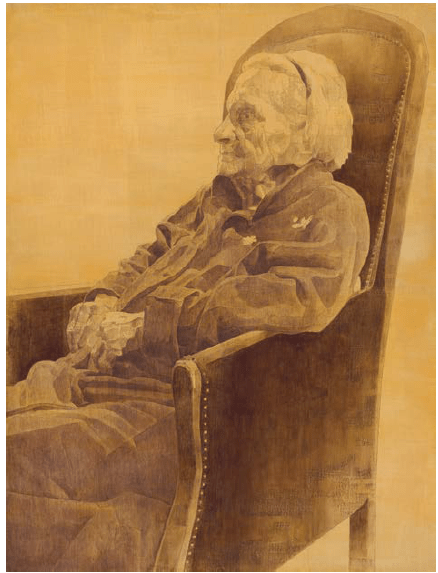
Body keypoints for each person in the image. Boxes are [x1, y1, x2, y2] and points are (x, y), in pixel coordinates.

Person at [7, 50, 370, 571]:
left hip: (169, 407)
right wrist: (102, 300)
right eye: (226, 115)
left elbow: (298, 300)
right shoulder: (214, 199)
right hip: (82, 377)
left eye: (245, 117)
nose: (221, 132)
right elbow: (150, 253)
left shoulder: (332, 209)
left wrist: (147, 327)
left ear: (302, 132)